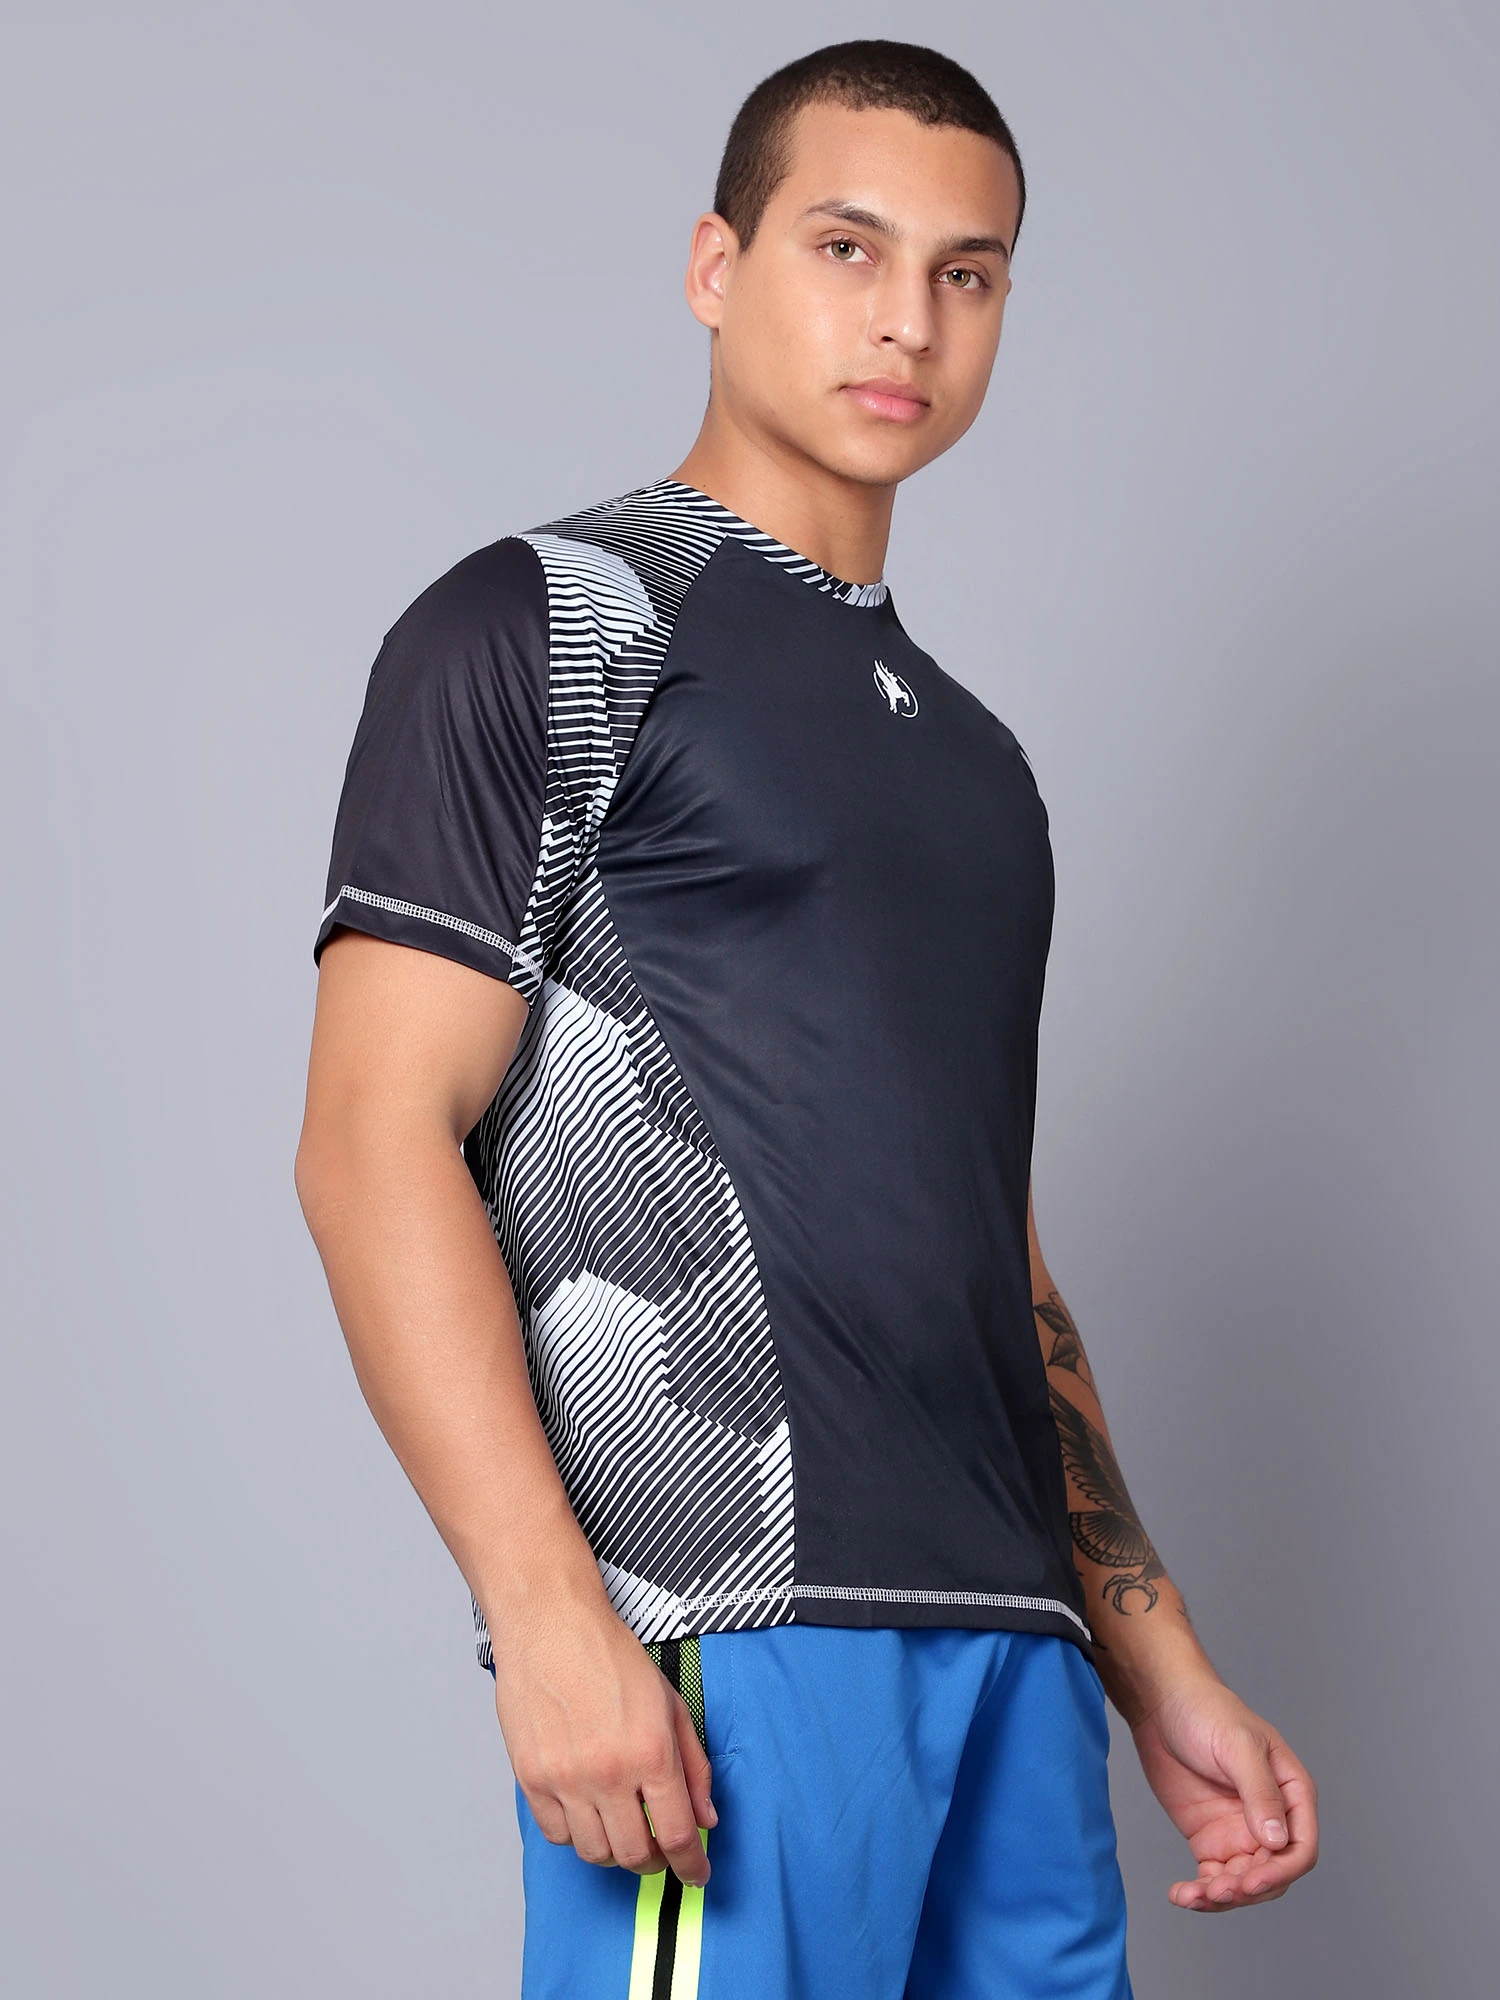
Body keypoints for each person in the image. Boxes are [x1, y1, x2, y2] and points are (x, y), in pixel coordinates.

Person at [294, 38, 1318, 2000]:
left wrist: (1157, 1660)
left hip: (1014, 1657)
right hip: (729, 1626)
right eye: (848, 248)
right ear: (716, 266)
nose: (908, 319)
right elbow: (368, 1140)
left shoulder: (982, 767)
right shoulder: (547, 622)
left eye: (966, 271)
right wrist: (549, 1612)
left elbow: (997, 1257)